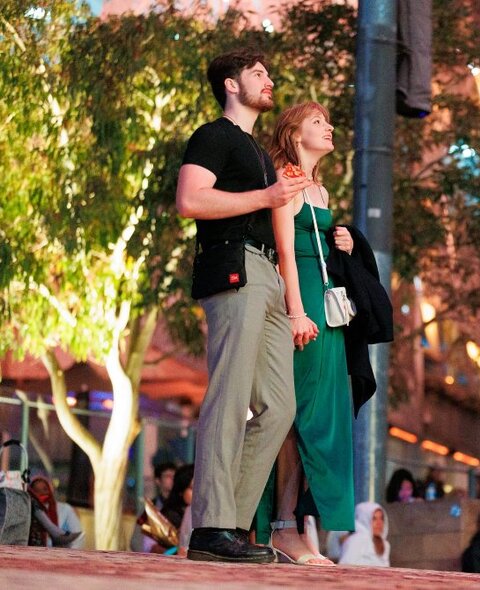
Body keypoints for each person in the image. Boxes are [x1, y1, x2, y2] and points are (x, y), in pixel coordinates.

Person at [176, 47, 312, 563]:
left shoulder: (255, 152)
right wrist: (268, 198)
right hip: (233, 267)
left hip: (268, 278)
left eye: (269, 73)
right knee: (229, 395)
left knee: (279, 407)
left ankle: (230, 524)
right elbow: (191, 199)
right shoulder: (214, 136)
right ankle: (210, 527)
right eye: (259, 73)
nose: (269, 79)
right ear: (232, 84)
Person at [256, 101, 356, 566]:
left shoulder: (320, 187)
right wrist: (296, 311)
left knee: (318, 412)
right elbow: (284, 252)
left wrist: (347, 242)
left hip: (327, 302)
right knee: (296, 413)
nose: (329, 126)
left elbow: (313, 246)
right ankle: (282, 527)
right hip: (305, 304)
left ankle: (293, 525)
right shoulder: (286, 175)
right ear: (295, 133)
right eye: (318, 122)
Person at [27, 476, 83, 549]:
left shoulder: (65, 509)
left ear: (50, 490)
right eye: (36, 490)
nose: (41, 493)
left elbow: (78, 539)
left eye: (44, 489)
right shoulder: (29, 509)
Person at [338, 502, 390, 566]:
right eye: (374, 519)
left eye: (381, 518)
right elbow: (344, 567)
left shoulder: (385, 544)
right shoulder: (356, 540)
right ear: (364, 520)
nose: (379, 523)